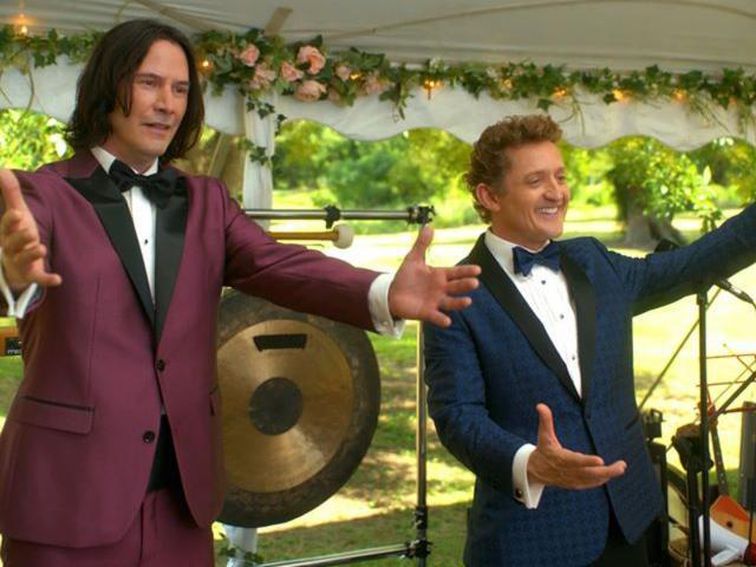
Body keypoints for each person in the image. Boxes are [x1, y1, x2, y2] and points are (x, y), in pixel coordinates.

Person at [0, 19, 480, 566]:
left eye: (180, 89)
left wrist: (383, 291)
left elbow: (281, 264)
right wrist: (11, 270)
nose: (167, 104)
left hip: (181, 503)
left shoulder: (206, 201)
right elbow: (15, 264)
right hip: (66, 498)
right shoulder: (44, 194)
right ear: (108, 87)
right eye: (149, 83)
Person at [423, 114, 756, 566]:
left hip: (631, 522)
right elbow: (458, 416)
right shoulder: (455, 296)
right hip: (533, 540)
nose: (556, 192)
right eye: (535, 181)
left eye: (560, 177)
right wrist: (528, 462)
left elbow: (691, 265)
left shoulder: (594, 262)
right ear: (489, 196)